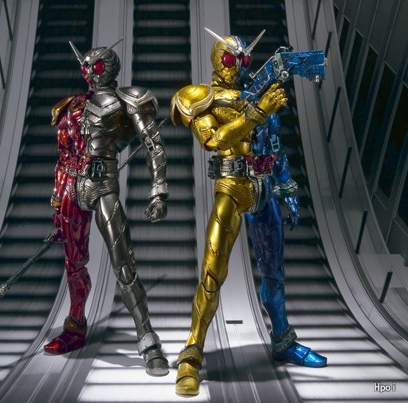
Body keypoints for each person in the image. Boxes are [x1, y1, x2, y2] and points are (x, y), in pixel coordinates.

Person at [170, 28, 326, 396]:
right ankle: (191, 354)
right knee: (212, 272)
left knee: (274, 272)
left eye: (243, 60)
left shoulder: (257, 93)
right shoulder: (202, 97)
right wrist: (256, 113)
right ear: (216, 59)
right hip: (232, 188)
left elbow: (274, 147)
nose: (236, 66)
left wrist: (287, 189)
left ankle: (283, 340)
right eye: (229, 58)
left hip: (264, 188)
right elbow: (213, 140)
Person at [44, 38, 169, 377]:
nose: (89, 72)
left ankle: (148, 340)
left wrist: (158, 190)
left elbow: (153, 145)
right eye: (85, 66)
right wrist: (58, 202)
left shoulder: (129, 100)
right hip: (72, 188)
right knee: (74, 264)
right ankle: (75, 326)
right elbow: (63, 159)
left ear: (110, 68)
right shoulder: (71, 107)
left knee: (123, 263)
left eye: (96, 65)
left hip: (103, 187)